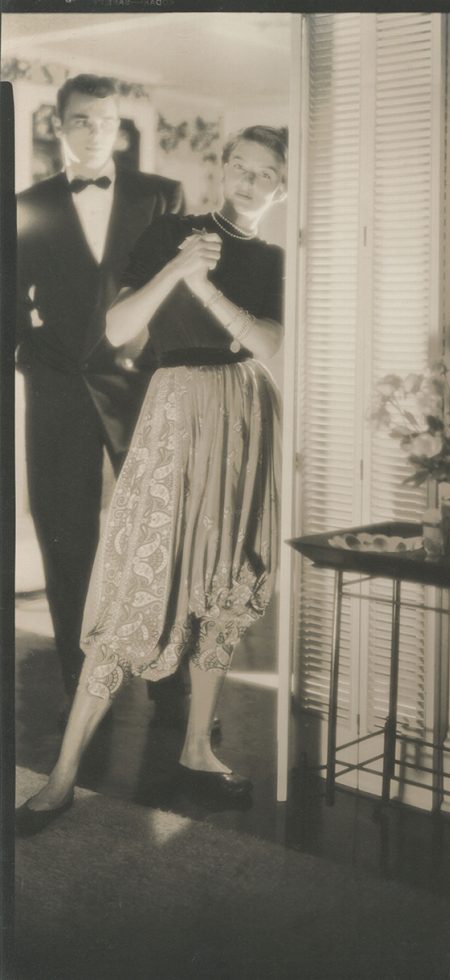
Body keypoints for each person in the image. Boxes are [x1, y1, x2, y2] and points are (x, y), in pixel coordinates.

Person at [16, 124, 287, 834]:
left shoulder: (281, 260)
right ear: (222, 169)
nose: (249, 180)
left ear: (282, 186)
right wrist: (176, 269)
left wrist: (207, 287)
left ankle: (198, 746)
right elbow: (118, 329)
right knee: (138, 572)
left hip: (244, 415)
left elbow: (270, 346)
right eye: (240, 166)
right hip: (172, 410)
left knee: (224, 579)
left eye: (265, 173)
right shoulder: (174, 233)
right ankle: (66, 771)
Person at [16, 74, 187, 724]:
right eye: (81, 120)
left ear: (120, 128)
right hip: (58, 391)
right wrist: (29, 358)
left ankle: (171, 686)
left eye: (105, 120)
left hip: (142, 386)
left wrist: (170, 372)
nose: (94, 132)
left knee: (156, 535)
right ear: (59, 127)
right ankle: (78, 680)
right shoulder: (27, 203)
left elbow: (181, 296)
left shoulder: (161, 196)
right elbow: (10, 304)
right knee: (66, 540)